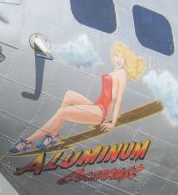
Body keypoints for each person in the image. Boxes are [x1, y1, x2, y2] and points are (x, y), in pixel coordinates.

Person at [10, 41, 146, 152]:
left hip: (101, 113)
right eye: (116, 55)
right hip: (97, 106)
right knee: (69, 94)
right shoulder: (114, 72)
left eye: (122, 57)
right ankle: (53, 134)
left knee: (62, 112)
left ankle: (28, 141)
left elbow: (118, 101)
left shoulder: (121, 75)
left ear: (126, 59)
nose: (118, 59)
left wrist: (113, 123)